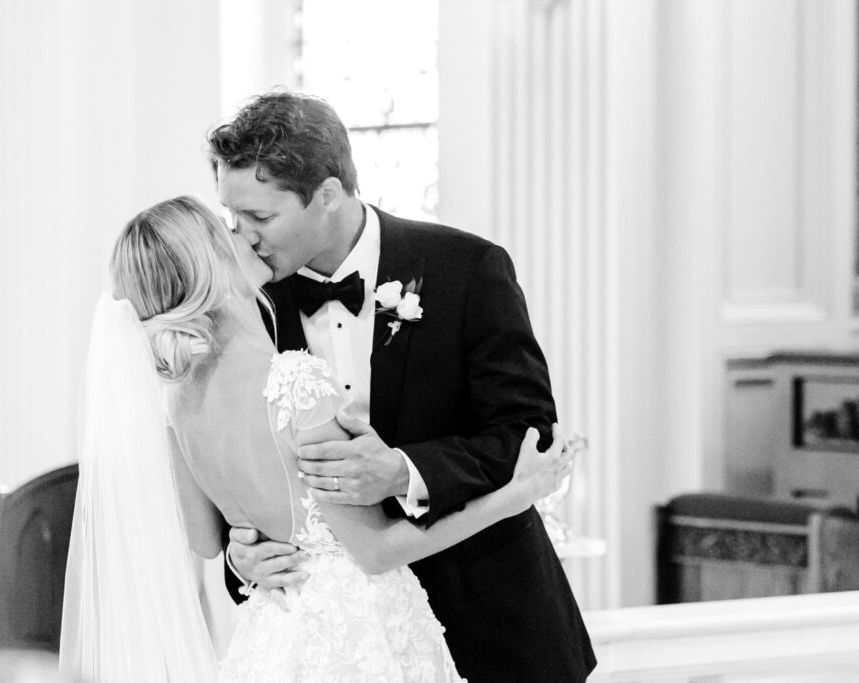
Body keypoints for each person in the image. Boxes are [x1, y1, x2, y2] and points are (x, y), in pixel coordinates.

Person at [58, 195, 574, 682]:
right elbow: (374, 551)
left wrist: (248, 543)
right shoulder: (294, 383)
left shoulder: (174, 404)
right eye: (230, 229)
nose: (248, 236)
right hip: (357, 635)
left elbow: (205, 539)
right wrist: (513, 498)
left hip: (275, 638)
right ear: (213, 265)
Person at [209, 91, 597, 682]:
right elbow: (236, 463)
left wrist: (401, 471)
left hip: (490, 622)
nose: (245, 238)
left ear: (328, 195)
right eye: (234, 219)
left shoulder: (466, 268)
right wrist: (244, 555)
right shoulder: (248, 304)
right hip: (345, 646)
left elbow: (527, 436)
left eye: (261, 218)